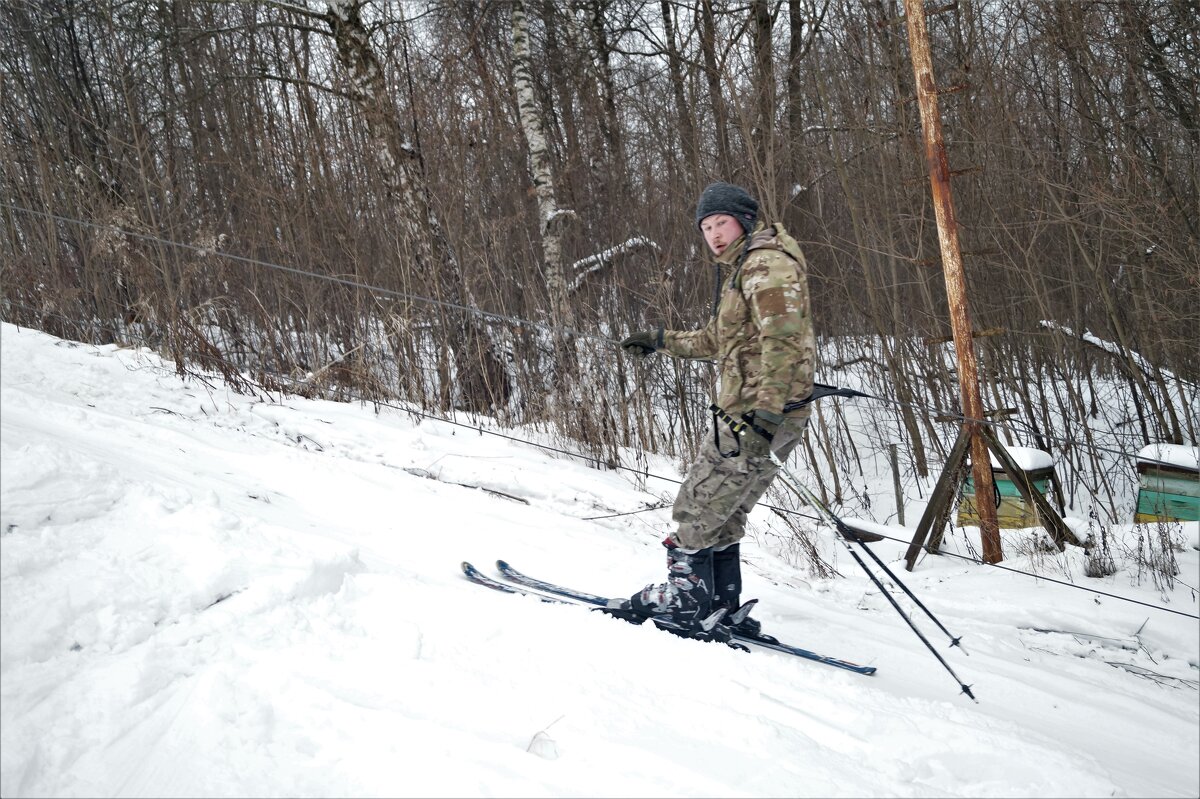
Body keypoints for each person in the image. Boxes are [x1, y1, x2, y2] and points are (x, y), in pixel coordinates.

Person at [613, 181, 816, 643]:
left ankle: (684, 601)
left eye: (721, 222)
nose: (714, 234)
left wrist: (764, 412)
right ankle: (721, 603)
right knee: (726, 510)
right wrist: (660, 340)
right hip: (769, 415)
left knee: (698, 503)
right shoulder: (746, 267)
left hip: (752, 417)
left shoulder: (764, 264)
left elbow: (781, 340)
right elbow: (717, 340)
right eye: (706, 227)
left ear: (743, 220)